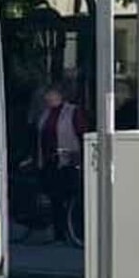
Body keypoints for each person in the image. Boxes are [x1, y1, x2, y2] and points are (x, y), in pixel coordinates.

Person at [32, 85, 88, 244]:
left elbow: (82, 132)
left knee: (68, 196)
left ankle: (72, 231)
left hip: (68, 160)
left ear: (60, 96)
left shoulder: (72, 111)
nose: (48, 98)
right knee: (55, 198)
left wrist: (78, 155)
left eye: (51, 95)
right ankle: (59, 234)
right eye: (47, 95)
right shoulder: (45, 113)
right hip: (50, 160)